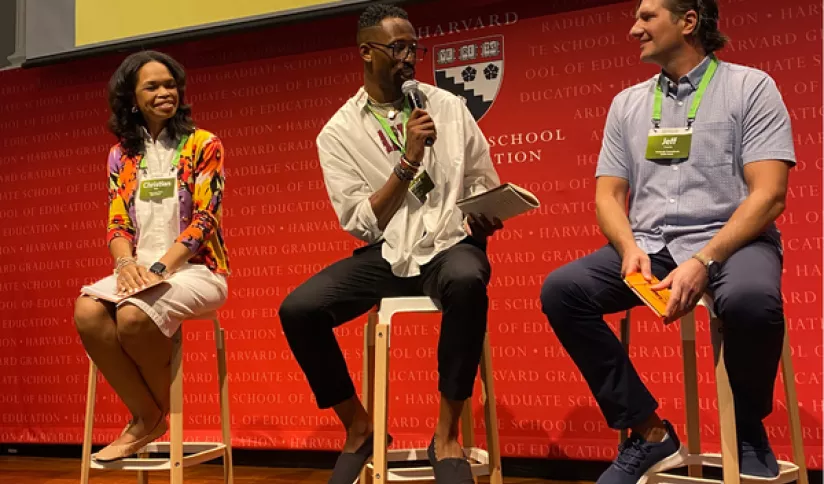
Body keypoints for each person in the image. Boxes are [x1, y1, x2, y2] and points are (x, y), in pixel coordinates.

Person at [540, 0, 795, 482]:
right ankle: (649, 433)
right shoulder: (628, 103)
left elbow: (769, 195)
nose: (634, 28)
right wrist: (629, 245)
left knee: (751, 302)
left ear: (688, 21)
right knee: (563, 291)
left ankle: (746, 426)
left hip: (734, 242)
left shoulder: (750, 87)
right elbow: (609, 195)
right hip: (651, 245)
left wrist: (704, 259)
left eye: (647, 17)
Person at [278, 4, 502, 483]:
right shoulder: (337, 133)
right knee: (299, 310)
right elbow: (360, 223)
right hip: (388, 251)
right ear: (366, 52)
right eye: (398, 48)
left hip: (448, 243)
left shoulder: (447, 106)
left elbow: (482, 179)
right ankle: (359, 427)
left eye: (413, 47)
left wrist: (485, 214)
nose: (409, 58)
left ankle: (446, 435)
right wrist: (407, 161)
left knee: (466, 279)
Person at [73, 50, 229, 462]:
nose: (165, 93)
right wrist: (126, 266)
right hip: (140, 268)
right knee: (87, 311)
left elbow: (204, 220)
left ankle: (145, 419)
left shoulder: (203, 144)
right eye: (153, 86)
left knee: (133, 315)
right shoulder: (122, 155)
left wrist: (160, 269)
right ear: (132, 98)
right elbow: (117, 223)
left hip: (195, 271)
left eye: (170, 84)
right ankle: (148, 415)